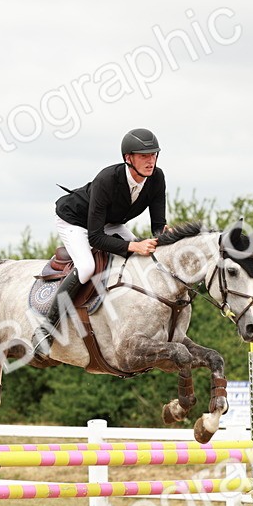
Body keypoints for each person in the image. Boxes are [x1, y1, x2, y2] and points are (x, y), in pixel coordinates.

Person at [33, 128, 166, 356]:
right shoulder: (107, 179)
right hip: (74, 220)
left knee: (141, 259)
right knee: (86, 267)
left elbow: (157, 225)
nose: (150, 160)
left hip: (109, 222)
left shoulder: (157, 178)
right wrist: (133, 245)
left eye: (153, 154)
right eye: (144, 155)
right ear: (128, 158)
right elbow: (95, 237)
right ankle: (46, 328)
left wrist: (164, 234)